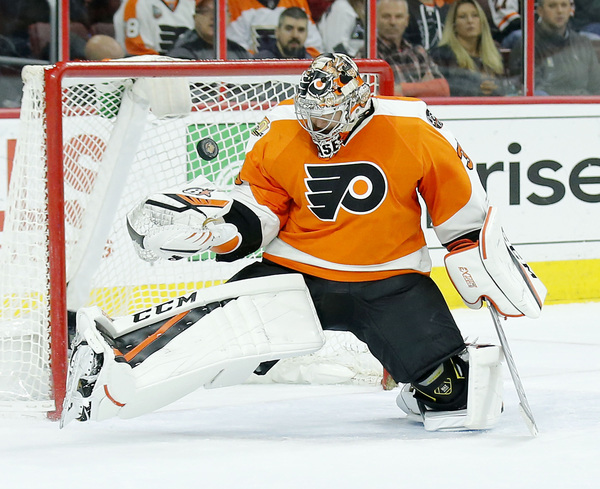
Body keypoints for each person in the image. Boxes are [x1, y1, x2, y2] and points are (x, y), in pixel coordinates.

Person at [61, 53, 546, 431]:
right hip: (295, 274)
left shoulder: (413, 127)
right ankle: (112, 359)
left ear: (357, 104)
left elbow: (461, 209)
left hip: (391, 283)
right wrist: (224, 232)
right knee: (206, 333)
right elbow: (262, 210)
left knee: (456, 397)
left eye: (327, 117)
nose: (315, 127)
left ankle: (419, 386)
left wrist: (480, 260)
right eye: (309, 116)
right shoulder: (280, 129)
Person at [508, 0, 600, 96]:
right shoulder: (528, 46)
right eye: (552, 6)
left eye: (564, 5)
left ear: (570, 9)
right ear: (540, 11)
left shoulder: (583, 43)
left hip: (583, 104)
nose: (559, 11)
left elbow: (597, 85)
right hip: (547, 104)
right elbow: (535, 91)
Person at [429, 0, 507, 96]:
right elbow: (443, 89)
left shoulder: (494, 52)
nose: (470, 21)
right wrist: (476, 89)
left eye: (475, 15)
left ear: (482, 21)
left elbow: (507, 88)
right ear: (454, 25)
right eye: (462, 17)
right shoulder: (442, 54)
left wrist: (496, 88)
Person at [377, 0, 449, 97]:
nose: (393, 22)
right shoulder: (368, 55)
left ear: (407, 20)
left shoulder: (418, 52)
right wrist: (424, 88)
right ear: (376, 19)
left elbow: (443, 89)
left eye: (398, 17)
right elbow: (373, 97)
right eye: (386, 16)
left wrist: (401, 89)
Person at [227, 0, 323, 55]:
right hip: (254, 77)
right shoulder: (236, 3)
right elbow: (236, 52)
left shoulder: (297, 2)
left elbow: (314, 48)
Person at [168, 0, 251, 60]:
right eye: (206, 11)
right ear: (195, 18)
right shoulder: (182, 51)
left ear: (229, 18)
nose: (213, 16)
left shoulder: (239, 52)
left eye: (220, 10)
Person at [113, 0, 195, 56]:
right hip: (148, 72)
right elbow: (137, 51)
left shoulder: (194, 3)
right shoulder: (135, 3)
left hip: (187, 68)